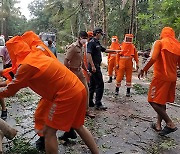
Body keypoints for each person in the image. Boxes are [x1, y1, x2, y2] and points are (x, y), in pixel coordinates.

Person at [0, 36, 99, 154]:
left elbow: (11, 89)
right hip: (78, 88)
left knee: (48, 132)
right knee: (78, 126)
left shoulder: (26, 66)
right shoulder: (36, 55)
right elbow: (16, 78)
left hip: (66, 94)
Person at [138, 27, 180, 136]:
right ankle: (158, 125)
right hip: (172, 78)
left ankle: (170, 123)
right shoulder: (177, 46)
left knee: (152, 100)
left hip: (161, 77)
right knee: (161, 101)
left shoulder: (159, 43)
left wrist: (143, 68)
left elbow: (152, 58)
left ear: (162, 33)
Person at [59, 31, 95, 142]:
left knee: (86, 90)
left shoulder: (83, 47)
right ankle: (73, 113)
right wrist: (67, 73)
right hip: (73, 72)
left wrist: (87, 70)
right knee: (75, 93)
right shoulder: (73, 47)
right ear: (79, 37)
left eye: (86, 38)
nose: (85, 40)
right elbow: (66, 60)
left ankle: (86, 110)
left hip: (80, 72)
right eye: (83, 38)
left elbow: (82, 62)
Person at [87, 28, 120, 110]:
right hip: (94, 67)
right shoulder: (91, 42)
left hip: (95, 66)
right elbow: (88, 54)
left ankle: (90, 102)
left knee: (93, 85)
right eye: (101, 34)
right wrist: (93, 66)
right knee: (100, 84)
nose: (101, 36)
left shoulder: (97, 42)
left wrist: (115, 51)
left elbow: (104, 50)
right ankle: (98, 103)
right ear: (97, 33)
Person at [0, 44, 12, 120]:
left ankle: (4, 109)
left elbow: (17, 81)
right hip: (7, 65)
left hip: (11, 66)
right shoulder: (4, 48)